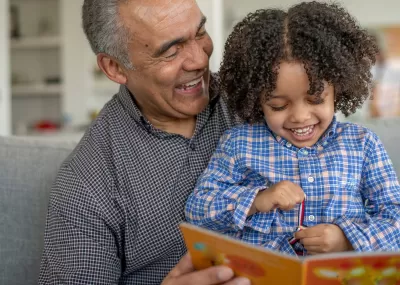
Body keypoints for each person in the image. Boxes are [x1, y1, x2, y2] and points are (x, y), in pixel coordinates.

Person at [38, 0, 250, 284]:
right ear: (115, 67)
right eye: (171, 50)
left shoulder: (256, 103)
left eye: (199, 33)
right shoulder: (85, 183)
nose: (199, 60)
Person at [185, 2, 400, 257]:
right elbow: (198, 211)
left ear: (338, 88)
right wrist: (257, 199)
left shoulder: (363, 144)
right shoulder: (238, 144)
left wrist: (347, 239)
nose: (299, 117)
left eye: (315, 100)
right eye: (278, 105)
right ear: (256, 98)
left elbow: (394, 217)